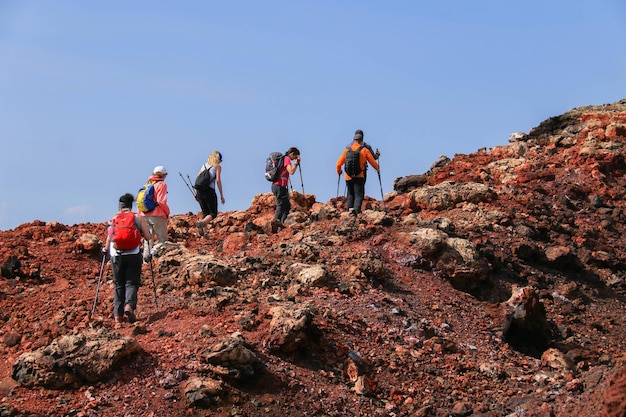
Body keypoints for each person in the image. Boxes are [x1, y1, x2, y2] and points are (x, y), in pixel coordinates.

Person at [103, 193, 152, 325]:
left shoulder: (114, 219)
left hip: (117, 255)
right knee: (131, 282)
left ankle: (118, 316)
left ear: (120, 207)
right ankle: (129, 306)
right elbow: (148, 237)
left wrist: (105, 249)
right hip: (133, 253)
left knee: (119, 284)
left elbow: (109, 238)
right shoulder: (137, 217)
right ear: (131, 206)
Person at [336, 132, 380, 214]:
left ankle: (349, 210)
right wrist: (377, 168)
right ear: (362, 140)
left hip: (348, 176)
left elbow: (338, 163)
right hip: (359, 175)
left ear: (354, 139)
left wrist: (339, 171)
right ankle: (356, 211)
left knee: (350, 193)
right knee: (359, 194)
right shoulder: (364, 150)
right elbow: (373, 162)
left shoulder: (347, 149)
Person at [139, 166, 170, 261]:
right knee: (162, 240)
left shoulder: (147, 184)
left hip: (144, 215)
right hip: (157, 215)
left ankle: (146, 261)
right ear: (164, 175)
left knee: (148, 240)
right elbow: (161, 201)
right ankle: (153, 253)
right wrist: (167, 212)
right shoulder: (162, 184)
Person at [194, 151, 225, 236]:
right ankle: (202, 223)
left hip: (200, 191)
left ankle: (205, 233)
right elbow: (218, 181)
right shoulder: (217, 167)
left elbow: (197, 179)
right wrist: (222, 195)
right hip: (209, 191)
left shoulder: (204, 165)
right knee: (213, 213)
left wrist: (196, 192)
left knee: (205, 212)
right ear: (218, 159)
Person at [272, 147, 300, 224]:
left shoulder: (283, 159)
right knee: (280, 206)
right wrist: (296, 164)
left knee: (286, 206)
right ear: (292, 154)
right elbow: (291, 171)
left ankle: (281, 224)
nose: (294, 159)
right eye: (295, 156)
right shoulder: (286, 159)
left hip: (279, 186)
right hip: (279, 186)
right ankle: (275, 224)